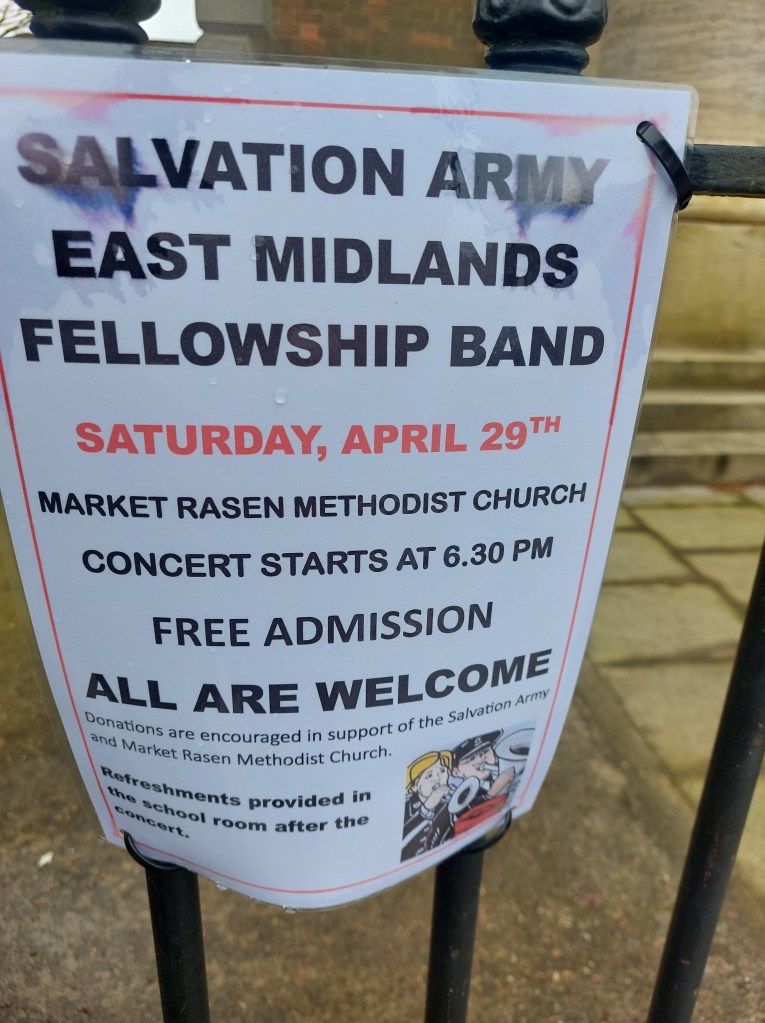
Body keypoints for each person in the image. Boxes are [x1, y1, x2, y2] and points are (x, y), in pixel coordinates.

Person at [401, 750, 453, 860]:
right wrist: (426, 809)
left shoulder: (448, 803)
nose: (437, 778)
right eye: (429, 775)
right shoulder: (404, 808)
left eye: (442, 771)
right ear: (414, 786)